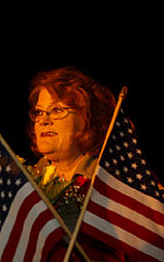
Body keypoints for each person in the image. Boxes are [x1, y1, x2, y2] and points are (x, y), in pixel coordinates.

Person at [25, 66, 122, 261]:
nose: (43, 120)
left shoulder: (111, 184)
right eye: (39, 112)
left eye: (56, 110)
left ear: (88, 119)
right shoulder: (23, 182)